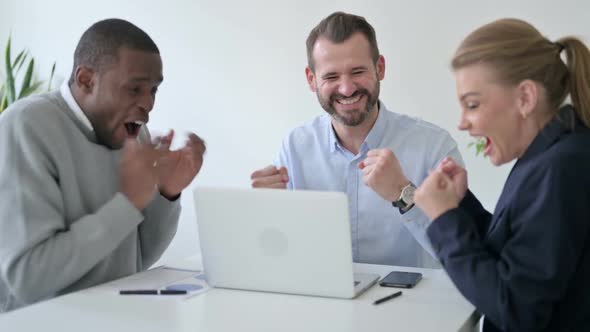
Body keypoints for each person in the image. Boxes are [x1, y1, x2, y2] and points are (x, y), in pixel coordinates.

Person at [0, 19, 206, 312]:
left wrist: (167, 194)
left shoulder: (132, 133)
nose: (148, 104)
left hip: (114, 318)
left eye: (153, 91)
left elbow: (137, 260)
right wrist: (127, 203)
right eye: (134, 89)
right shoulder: (25, 126)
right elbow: (29, 279)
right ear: (86, 79)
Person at [414, 18, 590, 331]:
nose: (462, 123)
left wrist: (444, 219)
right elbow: (513, 256)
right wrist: (459, 205)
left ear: (525, 98)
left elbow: (517, 310)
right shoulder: (548, 155)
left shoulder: (562, 167)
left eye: (472, 104)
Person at [250, 12, 463, 268]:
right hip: (322, 300)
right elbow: (277, 253)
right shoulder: (295, 147)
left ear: (380, 68)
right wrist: (265, 213)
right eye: (331, 77)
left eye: (357, 71)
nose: (347, 88)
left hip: (410, 304)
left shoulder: (434, 146)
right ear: (311, 80)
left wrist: (404, 194)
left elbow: (461, 251)